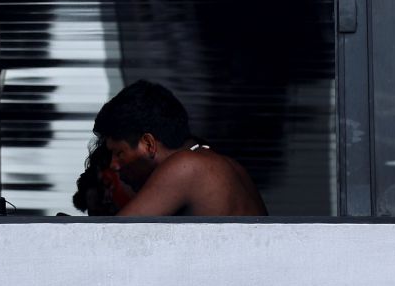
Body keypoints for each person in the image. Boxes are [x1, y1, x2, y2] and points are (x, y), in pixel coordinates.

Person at [93, 80, 267, 217]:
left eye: (119, 153)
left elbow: (113, 239)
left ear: (148, 144)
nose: (114, 165)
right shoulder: (226, 164)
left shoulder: (186, 166)